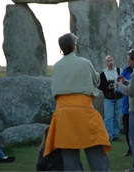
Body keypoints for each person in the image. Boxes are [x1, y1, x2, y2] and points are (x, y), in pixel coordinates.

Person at [43, 33, 111, 171]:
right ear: (74, 46)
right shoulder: (85, 63)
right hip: (84, 112)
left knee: (70, 164)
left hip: (64, 115)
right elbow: (97, 81)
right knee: (97, 158)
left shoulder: (56, 67)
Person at [98, 55, 123, 141]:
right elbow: (100, 86)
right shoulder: (103, 73)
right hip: (108, 98)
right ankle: (108, 135)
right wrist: (107, 88)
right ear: (106, 63)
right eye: (108, 61)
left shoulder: (119, 71)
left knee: (117, 117)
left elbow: (124, 81)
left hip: (119, 97)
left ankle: (116, 135)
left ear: (113, 61)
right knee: (108, 118)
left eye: (111, 60)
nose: (110, 62)